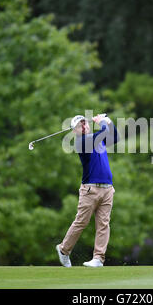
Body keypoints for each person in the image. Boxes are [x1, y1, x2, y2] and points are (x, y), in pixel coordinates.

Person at [56, 114, 119, 267]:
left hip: (107, 189)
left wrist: (109, 121)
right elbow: (103, 132)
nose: (84, 127)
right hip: (90, 190)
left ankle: (98, 258)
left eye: (85, 123)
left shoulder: (96, 139)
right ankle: (64, 250)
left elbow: (115, 137)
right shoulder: (82, 142)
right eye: (80, 125)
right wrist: (103, 121)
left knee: (104, 224)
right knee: (81, 222)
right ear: (75, 131)